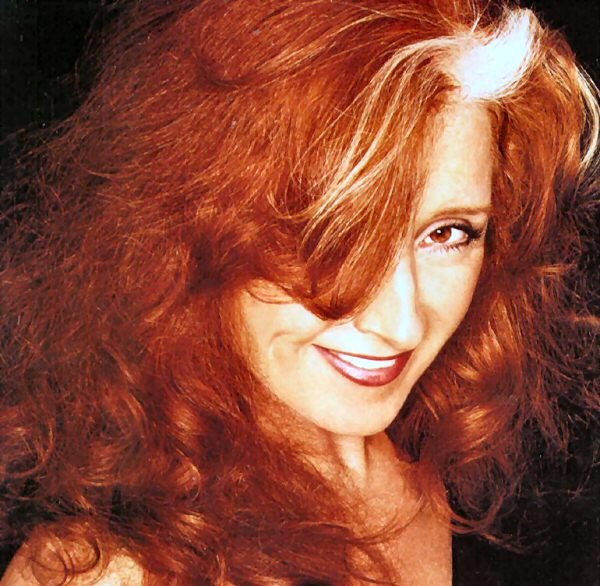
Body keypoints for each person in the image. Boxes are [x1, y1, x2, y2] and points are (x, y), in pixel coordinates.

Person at [0, 0, 598, 584]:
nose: (403, 324)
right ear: (189, 236)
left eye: (447, 234)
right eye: (333, 233)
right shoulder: (113, 570)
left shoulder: (466, 471)